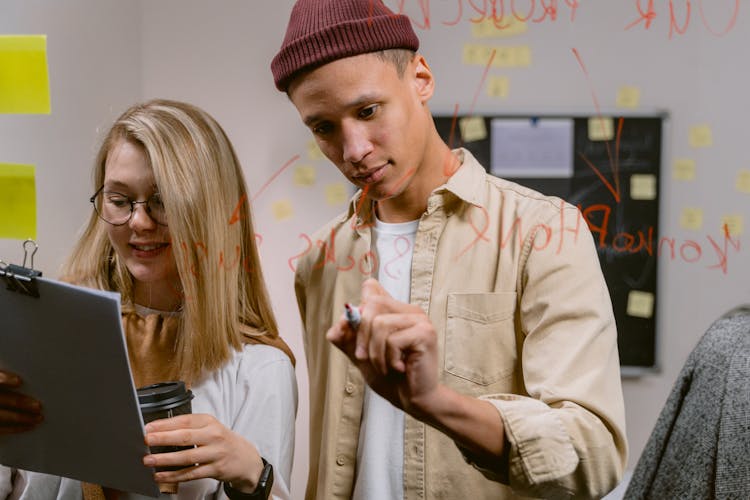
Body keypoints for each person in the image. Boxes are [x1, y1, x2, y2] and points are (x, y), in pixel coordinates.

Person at [271, 1, 627, 499]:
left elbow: (594, 457)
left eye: (367, 111)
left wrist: (435, 401)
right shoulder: (320, 261)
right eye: (324, 128)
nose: (353, 150)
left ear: (420, 78)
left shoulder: (544, 232)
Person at [0, 99, 297, 499]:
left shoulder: (259, 369)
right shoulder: (52, 330)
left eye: (162, 202)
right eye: (119, 201)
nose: (139, 222)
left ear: (207, 210)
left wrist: (253, 476)